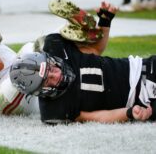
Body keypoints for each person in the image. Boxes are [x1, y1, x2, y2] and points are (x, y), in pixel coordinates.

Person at [10, 10, 156, 124]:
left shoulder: (56, 46)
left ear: (49, 58)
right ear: (40, 92)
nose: (57, 75)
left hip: (144, 68)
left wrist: (105, 21)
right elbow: (96, 117)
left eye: (51, 69)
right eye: (48, 81)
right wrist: (129, 113)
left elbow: (95, 50)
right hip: (141, 100)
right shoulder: (53, 111)